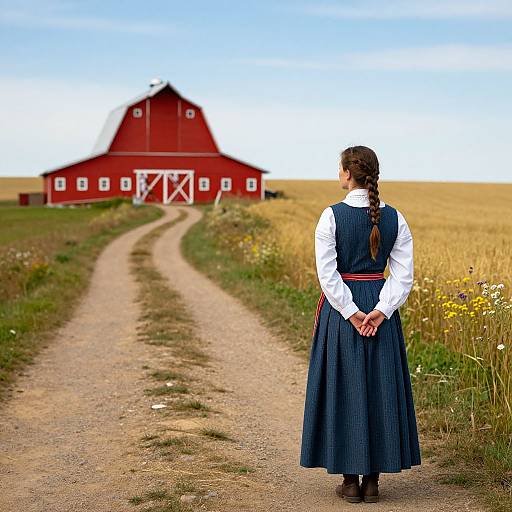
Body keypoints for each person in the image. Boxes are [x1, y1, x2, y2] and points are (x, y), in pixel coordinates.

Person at [299, 145, 421, 503]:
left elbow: (328, 274)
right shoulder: (396, 218)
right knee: (379, 387)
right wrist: (381, 310)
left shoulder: (330, 216)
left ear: (347, 174)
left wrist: (352, 312)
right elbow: (404, 276)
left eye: (339, 168)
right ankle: (373, 483)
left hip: (343, 313)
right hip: (379, 309)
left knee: (346, 386)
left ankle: (350, 482)